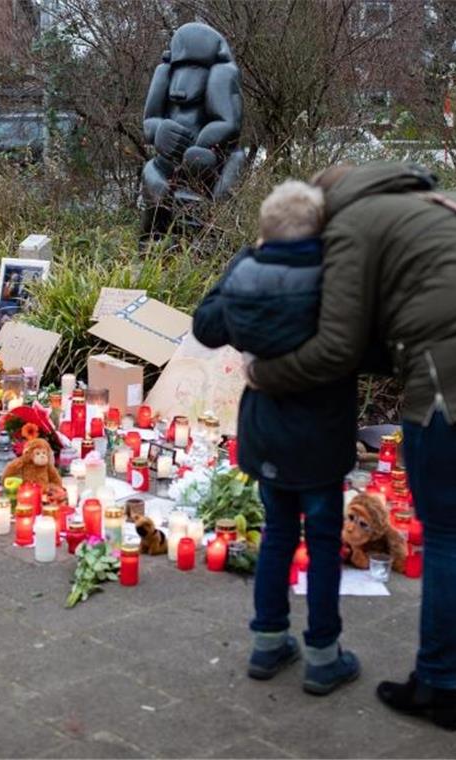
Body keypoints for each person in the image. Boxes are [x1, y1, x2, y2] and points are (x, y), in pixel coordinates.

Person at [246, 161, 456, 730]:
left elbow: (336, 347)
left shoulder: (353, 226)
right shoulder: (453, 206)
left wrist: (267, 375)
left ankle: (437, 686)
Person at [193, 180, 361, 696]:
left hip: (266, 431)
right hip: (322, 433)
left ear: (267, 231)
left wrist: (244, 258)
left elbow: (206, 326)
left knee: (277, 536)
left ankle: (268, 641)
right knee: (325, 542)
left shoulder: (246, 274)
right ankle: (323, 654)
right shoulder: (333, 279)